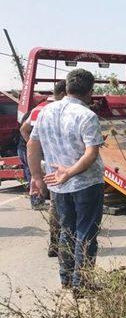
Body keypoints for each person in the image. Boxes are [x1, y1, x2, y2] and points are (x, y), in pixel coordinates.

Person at [27, 69, 105, 296]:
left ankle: (67, 279)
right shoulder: (86, 115)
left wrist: (36, 177)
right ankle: (83, 283)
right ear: (90, 92)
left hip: (57, 184)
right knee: (85, 233)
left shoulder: (45, 111)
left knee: (66, 230)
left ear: (67, 87)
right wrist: (69, 172)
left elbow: (32, 145)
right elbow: (91, 154)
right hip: (85, 184)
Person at [20, 80, 66, 257]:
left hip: (43, 160)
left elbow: (24, 130)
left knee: (55, 201)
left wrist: (35, 149)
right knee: (62, 201)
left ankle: (55, 241)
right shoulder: (60, 110)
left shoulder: (39, 108)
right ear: (63, 93)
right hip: (58, 162)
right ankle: (63, 242)